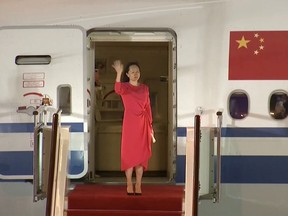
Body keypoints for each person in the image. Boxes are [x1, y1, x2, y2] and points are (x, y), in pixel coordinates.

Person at [112, 60, 154, 195]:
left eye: (137, 72)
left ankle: (139, 184)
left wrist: (150, 126)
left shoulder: (145, 88)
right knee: (129, 156)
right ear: (128, 74)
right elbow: (117, 89)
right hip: (130, 123)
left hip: (143, 123)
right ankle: (129, 183)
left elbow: (148, 107)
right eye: (132, 72)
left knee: (141, 159)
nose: (135, 74)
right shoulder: (124, 87)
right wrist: (118, 73)